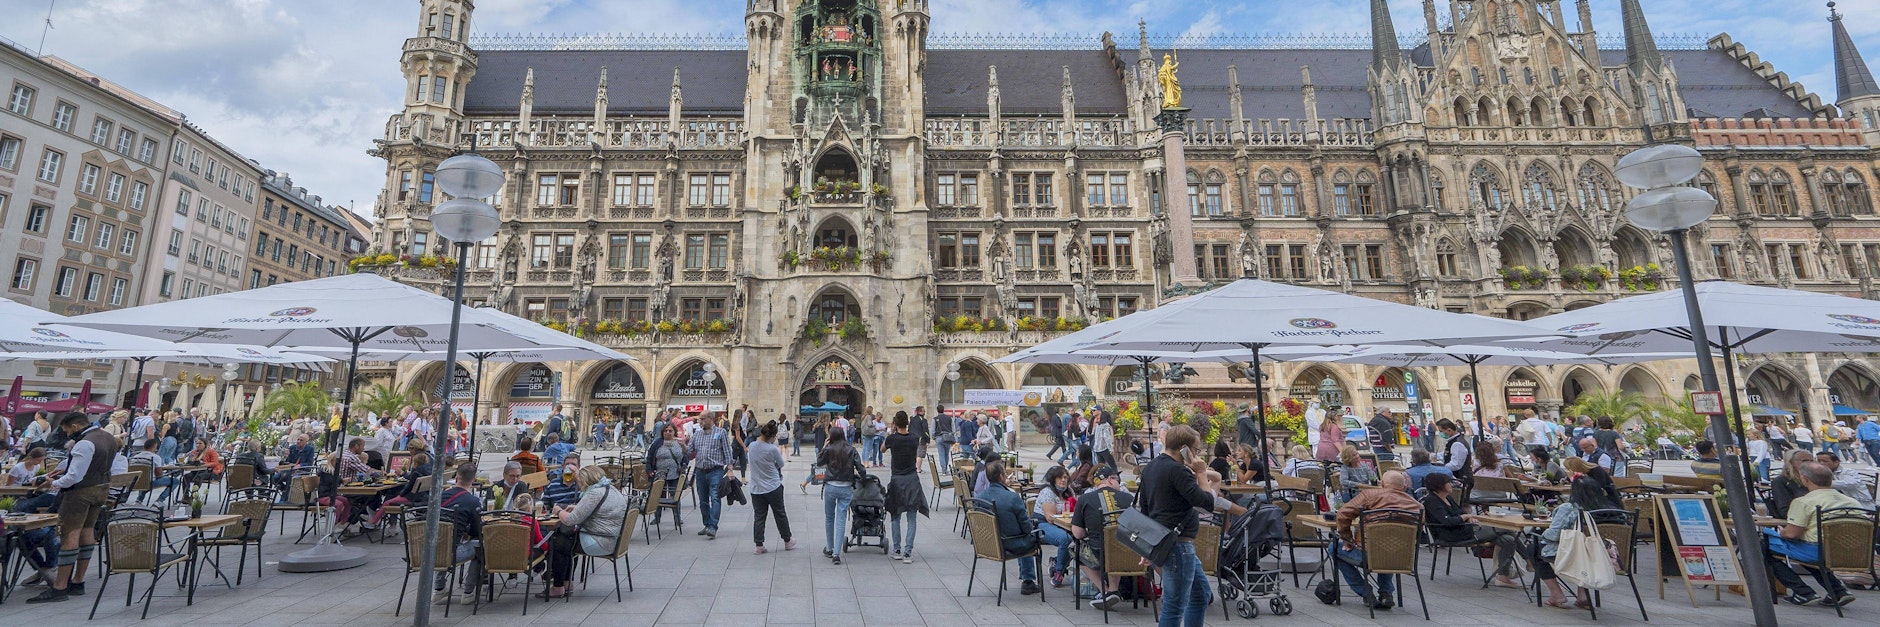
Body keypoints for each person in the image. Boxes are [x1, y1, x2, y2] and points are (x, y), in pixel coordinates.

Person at [26, 412, 119, 603]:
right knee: (87, 532)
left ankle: (59, 587)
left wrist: (53, 482)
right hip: (101, 489)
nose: (67, 434)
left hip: (79, 494)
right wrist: (66, 469)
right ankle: (78, 581)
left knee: (70, 534)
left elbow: (75, 477)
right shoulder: (108, 437)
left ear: (75, 427)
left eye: (67, 430)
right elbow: (94, 465)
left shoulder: (84, 443)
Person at [1137, 424, 1218, 625]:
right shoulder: (1178, 470)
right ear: (1185, 448)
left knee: (1200, 595)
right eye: (1196, 450)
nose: (1197, 454)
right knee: (1174, 607)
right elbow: (1207, 503)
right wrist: (1201, 473)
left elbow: (1145, 508)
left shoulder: (1152, 467)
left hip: (1164, 541)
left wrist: (1146, 546)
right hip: (1178, 545)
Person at [1764, 461, 1858, 607]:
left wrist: (1781, 532)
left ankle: (1803, 592)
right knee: (1807, 549)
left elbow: (1791, 534)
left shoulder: (1804, 502)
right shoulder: (1852, 502)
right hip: (1851, 553)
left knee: (1763, 547)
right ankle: (1838, 590)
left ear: (1805, 479)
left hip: (1818, 552)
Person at [1333, 470, 1422, 609]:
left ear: (1382, 484)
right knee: (1390, 545)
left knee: (1333, 548)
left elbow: (1343, 513)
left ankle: (1366, 592)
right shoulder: (1417, 506)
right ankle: (1386, 593)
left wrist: (1347, 539)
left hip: (1369, 555)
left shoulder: (1369, 495)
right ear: (1404, 487)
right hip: (1402, 557)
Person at [1420, 473, 1525, 588]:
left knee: (1508, 539)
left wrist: (1469, 517)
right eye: (1448, 483)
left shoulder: (1447, 498)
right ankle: (1529, 560)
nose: (1451, 485)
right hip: (1451, 535)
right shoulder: (1431, 501)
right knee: (1508, 528)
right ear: (1439, 485)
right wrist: (1465, 517)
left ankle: (1502, 577)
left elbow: (1460, 513)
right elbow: (1447, 521)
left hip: (1464, 529)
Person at [541, 465, 628, 600]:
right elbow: (599, 510)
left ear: (587, 480)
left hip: (601, 542)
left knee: (558, 542)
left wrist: (557, 510)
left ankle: (558, 587)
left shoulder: (594, 494)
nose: (578, 483)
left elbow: (570, 520)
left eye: (579, 480)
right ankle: (566, 583)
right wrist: (577, 507)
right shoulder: (609, 489)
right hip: (614, 540)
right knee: (565, 539)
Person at [1534, 475, 1620, 609]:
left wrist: (1542, 534)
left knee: (1534, 549)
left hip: (1579, 555)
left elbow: (1554, 535)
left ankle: (1557, 594)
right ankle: (1583, 596)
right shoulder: (1612, 508)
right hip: (1606, 556)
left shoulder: (1570, 508)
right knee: (1582, 548)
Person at [971, 458, 1044, 595]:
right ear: (1001, 477)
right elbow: (1026, 527)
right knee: (1031, 537)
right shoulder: (1012, 497)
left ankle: (1027, 579)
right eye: (1005, 474)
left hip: (987, 544)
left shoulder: (979, 498)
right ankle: (1028, 581)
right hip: (1009, 544)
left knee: (1025, 536)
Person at [1071, 465, 1134, 610]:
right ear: (1110, 479)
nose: (1119, 482)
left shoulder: (1085, 498)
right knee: (1116, 544)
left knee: (1075, 549)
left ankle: (1105, 591)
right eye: (1118, 479)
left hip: (1099, 553)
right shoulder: (1128, 498)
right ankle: (1113, 589)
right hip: (1129, 554)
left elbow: (1078, 534)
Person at [434, 462, 485, 604]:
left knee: (444, 542)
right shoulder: (472, 501)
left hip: (424, 552)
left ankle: (438, 589)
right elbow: (477, 531)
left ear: (457, 476)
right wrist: (466, 531)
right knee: (480, 547)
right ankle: (468, 592)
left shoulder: (439, 496)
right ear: (474, 480)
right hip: (449, 554)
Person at [883, 412, 928, 563]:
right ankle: (908, 552)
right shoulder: (914, 438)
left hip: (897, 479)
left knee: (895, 516)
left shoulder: (892, 439)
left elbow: (882, 449)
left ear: (895, 423)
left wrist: (891, 431)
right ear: (908, 422)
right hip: (912, 479)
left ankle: (897, 549)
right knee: (911, 517)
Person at [817, 427, 864, 564]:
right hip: (846, 487)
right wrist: (864, 477)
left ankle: (830, 547)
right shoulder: (851, 449)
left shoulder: (829, 449)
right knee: (841, 520)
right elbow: (860, 467)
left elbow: (819, 462)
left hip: (831, 486)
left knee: (829, 518)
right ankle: (837, 553)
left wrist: (824, 446)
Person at [748, 420, 793, 554]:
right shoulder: (772, 448)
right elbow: (781, 464)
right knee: (780, 513)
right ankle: (787, 540)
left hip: (756, 488)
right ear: (772, 437)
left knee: (759, 516)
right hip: (773, 486)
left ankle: (759, 544)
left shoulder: (752, 446)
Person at [687, 412, 734, 539]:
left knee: (715, 498)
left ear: (711, 419)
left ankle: (713, 526)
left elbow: (727, 451)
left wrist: (730, 468)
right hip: (700, 471)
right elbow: (689, 450)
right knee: (703, 500)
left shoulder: (721, 432)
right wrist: (682, 446)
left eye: (702, 419)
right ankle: (707, 524)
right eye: (699, 419)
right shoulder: (697, 434)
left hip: (715, 471)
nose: (700, 422)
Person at [362, 453, 432, 529]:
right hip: (422, 497)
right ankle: (378, 517)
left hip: (411, 498)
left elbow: (408, 488)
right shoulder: (427, 471)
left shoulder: (416, 473)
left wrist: (400, 495)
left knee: (387, 502)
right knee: (390, 498)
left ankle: (373, 521)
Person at [1031, 466, 1075, 587]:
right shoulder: (1047, 492)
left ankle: (1057, 561)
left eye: (1065, 477)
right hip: (1042, 524)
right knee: (1065, 539)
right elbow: (1050, 518)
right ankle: (1059, 572)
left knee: (1080, 540)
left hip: (1064, 525)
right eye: (1060, 477)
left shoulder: (1069, 491)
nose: (1063, 480)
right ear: (1053, 479)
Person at [649, 425, 686, 526]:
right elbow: (650, 456)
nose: (668, 432)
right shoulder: (657, 443)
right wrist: (649, 470)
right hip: (659, 474)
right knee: (658, 496)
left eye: (670, 430)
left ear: (674, 432)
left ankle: (677, 518)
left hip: (674, 474)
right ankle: (657, 517)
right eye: (665, 431)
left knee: (675, 496)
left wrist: (683, 448)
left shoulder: (679, 443)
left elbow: (685, 457)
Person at [1766, 449, 1815, 519]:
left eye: (1812, 461)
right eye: (1805, 461)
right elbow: (1785, 511)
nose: (1810, 463)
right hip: (1798, 521)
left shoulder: (1814, 478)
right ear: (1791, 463)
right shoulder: (1781, 481)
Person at [1435, 419, 1472, 485]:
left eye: (1441, 431)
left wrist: (1441, 468)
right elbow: (1446, 454)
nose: (1440, 433)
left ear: (1449, 430)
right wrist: (1433, 456)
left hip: (1461, 478)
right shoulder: (1452, 441)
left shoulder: (1457, 443)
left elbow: (1456, 464)